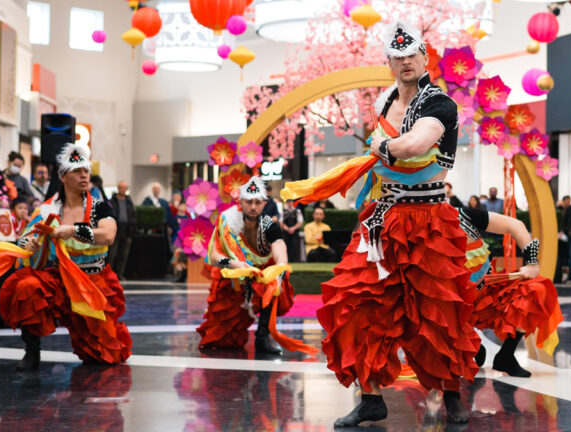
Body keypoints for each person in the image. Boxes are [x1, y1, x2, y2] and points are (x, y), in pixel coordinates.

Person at [311, 22, 480, 427]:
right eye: (398, 57)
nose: (406, 62)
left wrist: (379, 148)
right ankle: (370, 397)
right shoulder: (385, 101)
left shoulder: (439, 103)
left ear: (425, 58)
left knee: (438, 311)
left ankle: (452, 392)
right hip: (382, 220)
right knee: (358, 305)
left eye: (412, 55)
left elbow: (416, 145)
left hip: (428, 221)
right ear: (389, 62)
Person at [0, 142, 132, 370]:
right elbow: (25, 237)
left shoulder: (100, 207)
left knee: (104, 354)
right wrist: (28, 243)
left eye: (86, 171)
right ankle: (32, 350)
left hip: (93, 281)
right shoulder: (47, 210)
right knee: (27, 286)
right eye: (77, 171)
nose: (83, 175)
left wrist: (73, 230)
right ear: (63, 177)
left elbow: (108, 236)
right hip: (59, 278)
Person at [197, 176, 316, 358]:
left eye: (257, 202)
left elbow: (280, 253)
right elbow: (213, 257)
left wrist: (279, 272)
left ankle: (262, 336)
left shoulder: (270, 225)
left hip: (260, 274)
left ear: (264, 203)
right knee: (222, 341)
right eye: (249, 202)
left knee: (274, 285)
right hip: (233, 275)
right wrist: (234, 264)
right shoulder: (227, 220)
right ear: (241, 201)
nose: (253, 207)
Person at [456, 208, 562, 377]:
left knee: (536, 291)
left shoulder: (464, 215)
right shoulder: (415, 223)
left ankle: (506, 355)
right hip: (449, 307)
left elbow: (515, 225)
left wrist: (532, 263)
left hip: (486, 295)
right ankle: (468, 343)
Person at [109, 181, 136, 280]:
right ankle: (110, 274)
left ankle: (120, 274)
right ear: (118, 188)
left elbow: (133, 215)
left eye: (125, 187)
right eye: (121, 187)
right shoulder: (112, 201)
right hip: (116, 229)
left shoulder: (129, 201)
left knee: (123, 255)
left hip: (127, 230)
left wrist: (132, 228)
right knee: (112, 254)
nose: (123, 190)